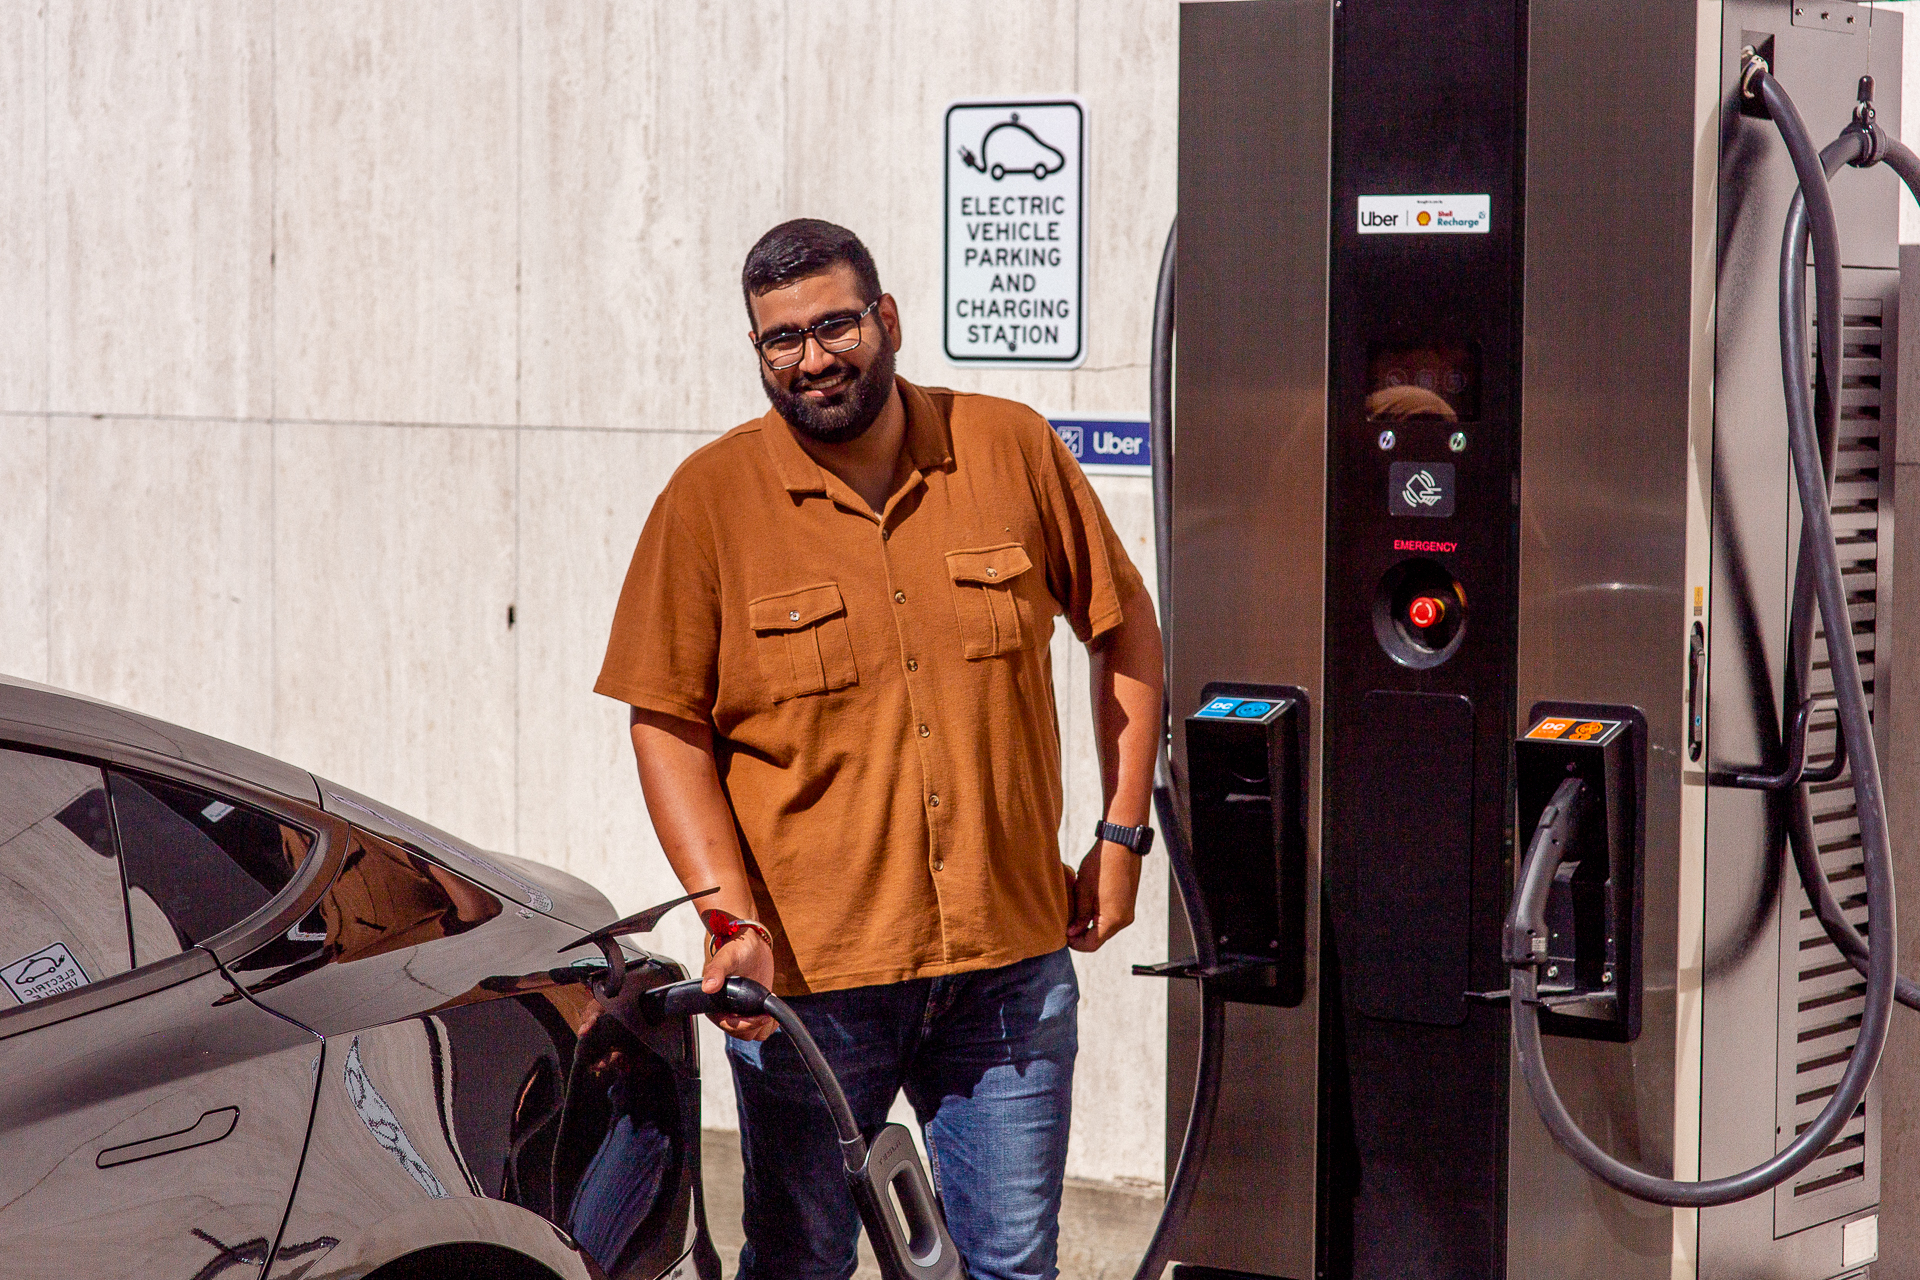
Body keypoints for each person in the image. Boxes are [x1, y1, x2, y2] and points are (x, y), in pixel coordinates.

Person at [595, 218, 1163, 1280]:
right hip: (809, 986)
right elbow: (666, 721)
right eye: (780, 340)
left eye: (834, 325)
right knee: (803, 1260)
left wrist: (1121, 835)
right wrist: (729, 915)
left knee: (1009, 1267)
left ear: (885, 318)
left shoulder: (1011, 447)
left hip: (1008, 964)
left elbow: (1125, 625)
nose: (812, 359)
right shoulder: (708, 502)